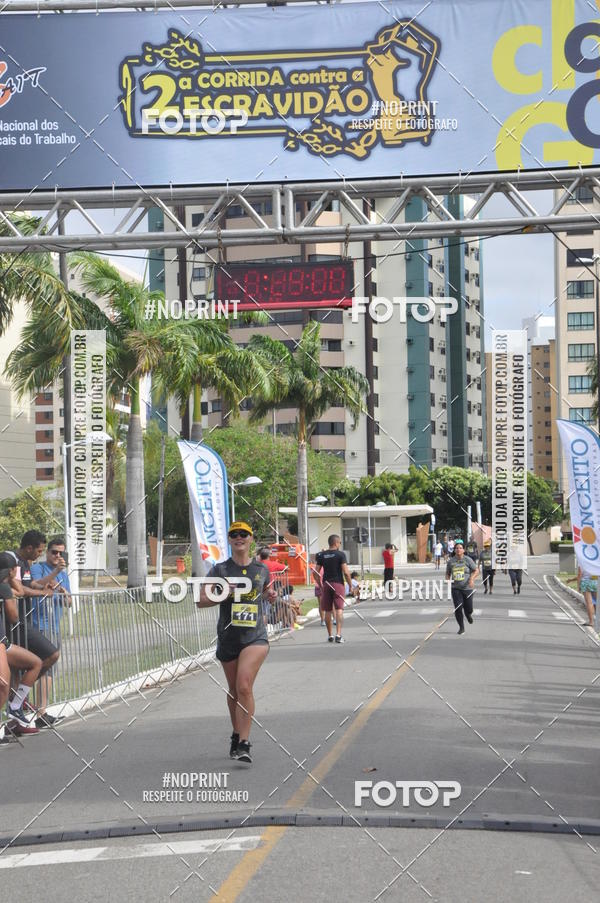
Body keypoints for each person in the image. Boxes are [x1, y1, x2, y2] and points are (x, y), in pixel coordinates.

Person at [197, 522, 276, 765]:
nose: (239, 538)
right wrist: (223, 592)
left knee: (244, 686)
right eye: (234, 535)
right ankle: (235, 734)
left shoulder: (261, 570)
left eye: (244, 534)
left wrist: (269, 596)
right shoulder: (220, 570)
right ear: (230, 541)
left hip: (255, 637)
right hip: (229, 638)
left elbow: (267, 594)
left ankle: (244, 742)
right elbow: (200, 600)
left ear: (251, 539)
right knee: (233, 691)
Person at [6, 532, 61, 727]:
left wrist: (49, 582)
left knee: (42, 659)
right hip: (14, 623)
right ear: (29, 548)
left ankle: (17, 701)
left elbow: (31, 585)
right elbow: (22, 590)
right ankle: (16, 704)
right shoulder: (13, 561)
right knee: (49, 655)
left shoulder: (25, 562)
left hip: (23, 621)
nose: (39, 554)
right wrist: (40, 593)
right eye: (39, 550)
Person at [0, 552, 43, 735]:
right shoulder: (4, 588)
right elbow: (14, 616)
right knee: (3, 683)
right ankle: (10, 712)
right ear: (11, 571)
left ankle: (15, 707)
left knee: (35, 662)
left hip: (4, 642)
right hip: (1, 642)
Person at [30, 536, 71, 727]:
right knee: (38, 667)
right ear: (47, 552)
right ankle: (30, 706)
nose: (57, 555)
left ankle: (41, 711)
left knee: (48, 670)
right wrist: (55, 572)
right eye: (54, 552)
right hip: (39, 624)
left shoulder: (64, 574)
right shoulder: (39, 567)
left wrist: (64, 594)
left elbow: (69, 602)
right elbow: (36, 584)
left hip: (54, 626)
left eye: (60, 553)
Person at [315, 535, 352, 644]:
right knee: (339, 608)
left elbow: (315, 572)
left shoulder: (322, 555)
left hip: (326, 584)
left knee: (327, 610)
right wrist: (350, 585)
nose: (340, 544)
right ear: (336, 543)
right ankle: (338, 635)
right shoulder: (341, 554)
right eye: (340, 542)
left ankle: (330, 635)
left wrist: (321, 584)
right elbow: (346, 572)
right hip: (338, 584)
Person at [445, 539, 479, 635]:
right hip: (456, 588)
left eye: (460, 548)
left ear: (463, 550)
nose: (458, 550)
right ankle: (461, 627)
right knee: (458, 608)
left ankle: (468, 615)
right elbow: (447, 574)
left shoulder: (468, 560)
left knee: (469, 608)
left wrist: (472, 579)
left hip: (467, 588)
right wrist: (448, 580)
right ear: (454, 550)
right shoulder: (451, 562)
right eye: (456, 548)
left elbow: (476, 570)